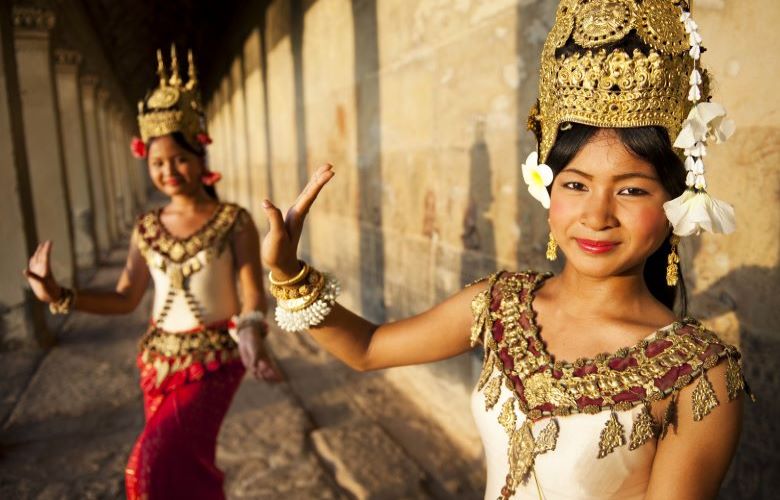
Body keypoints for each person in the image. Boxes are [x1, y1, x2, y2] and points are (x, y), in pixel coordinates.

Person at [259, 1, 751, 499]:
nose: (597, 216)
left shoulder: (697, 374)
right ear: (548, 190)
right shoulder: (501, 305)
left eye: (631, 191)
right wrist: (288, 273)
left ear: (677, 201)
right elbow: (367, 349)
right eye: (576, 185)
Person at [24, 46, 281, 499]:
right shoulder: (146, 227)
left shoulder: (233, 220)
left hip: (214, 362)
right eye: (158, 163)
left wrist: (252, 332)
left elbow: (251, 295)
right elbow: (125, 297)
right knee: (186, 469)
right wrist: (59, 294)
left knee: (148, 467)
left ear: (200, 157)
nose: (169, 171)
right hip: (156, 363)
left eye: (179, 159)